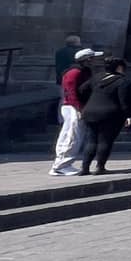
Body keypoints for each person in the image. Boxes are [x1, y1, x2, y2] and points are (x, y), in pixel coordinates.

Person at [78, 57, 131, 174]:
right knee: (105, 140)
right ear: (120, 68)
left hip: (90, 112)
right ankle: (100, 167)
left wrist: (89, 102)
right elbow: (124, 101)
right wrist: (129, 116)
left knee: (91, 140)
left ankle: (84, 168)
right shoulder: (123, 82)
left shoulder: (96, 78)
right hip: (110, 115)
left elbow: (82, 89)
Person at [51, 46, 97, 175]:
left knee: (69, 134)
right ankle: (62, 165)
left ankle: (60, 164)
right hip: (73, 106)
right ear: (86, 60)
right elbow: (71, 92)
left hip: (74, 106)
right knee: (72, 135)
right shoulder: (75, 72)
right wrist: (79, 108)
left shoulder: (81, 71)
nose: (95, 61)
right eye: (92, 58)